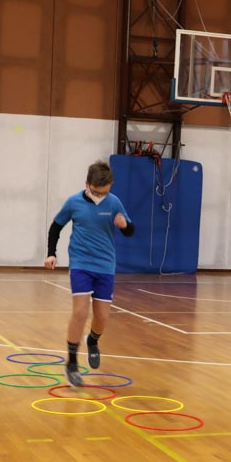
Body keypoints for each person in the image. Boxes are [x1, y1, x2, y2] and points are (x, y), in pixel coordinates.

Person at [45, 160, 135, 386]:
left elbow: (130, 230)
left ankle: (92, 341)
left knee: (102, 317)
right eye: (96, 192)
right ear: (87, 184)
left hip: (105, 265)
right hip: (81, 262)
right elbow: (56, 226)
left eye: (104, 192)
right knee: (80, 312)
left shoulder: (114, 202)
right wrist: (51, 253)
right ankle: (72, 363)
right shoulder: (73, 202)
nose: (100, 196)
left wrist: (124, 226)